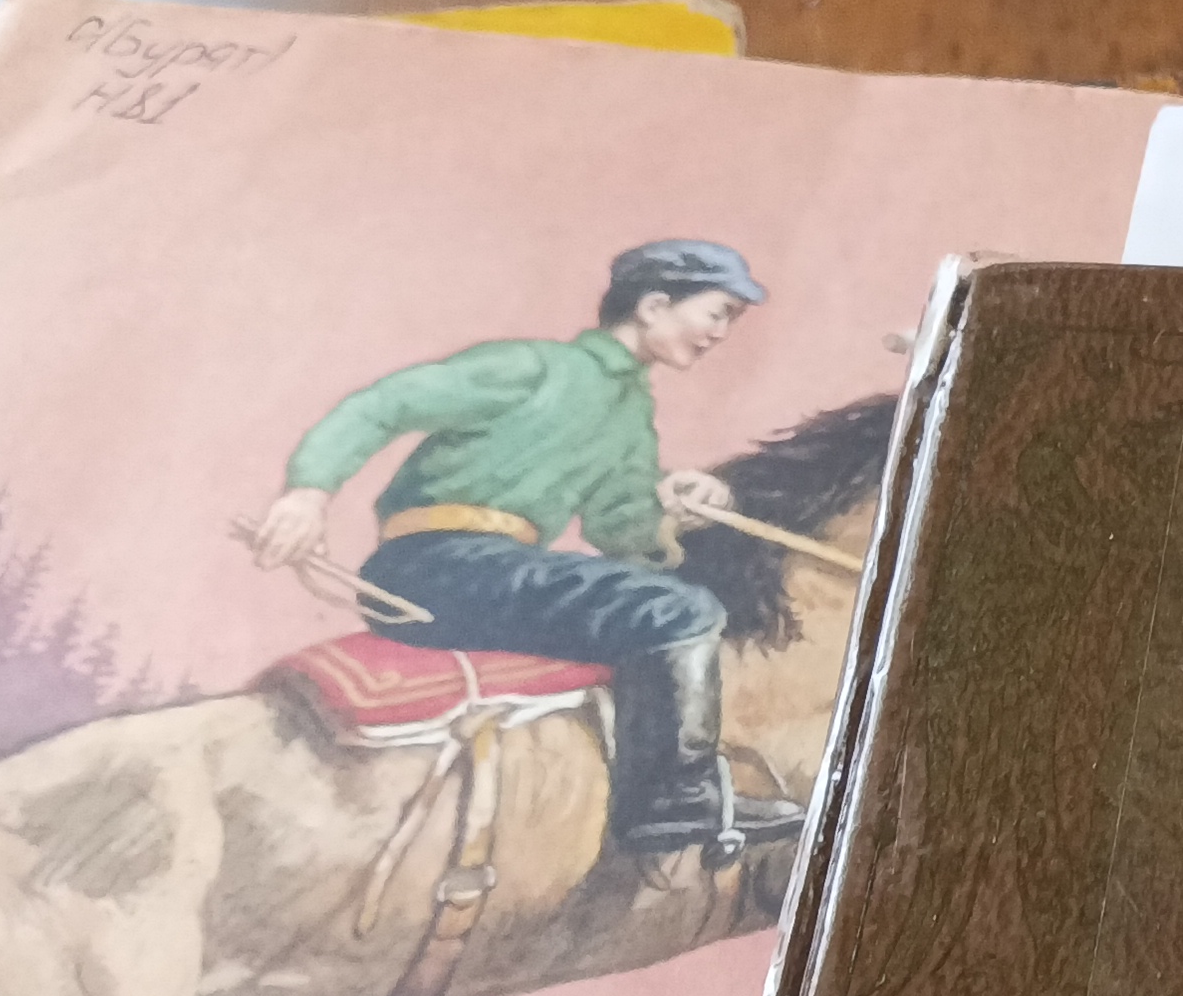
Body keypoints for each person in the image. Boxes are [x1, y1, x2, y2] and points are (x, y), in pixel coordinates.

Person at [249, 238, 806, 856]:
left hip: (494, 573)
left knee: (673, 602)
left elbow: (621, 531)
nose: (721, 333)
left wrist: (680, 506)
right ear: (653, 306)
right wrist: (307, 493)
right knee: (679, 610)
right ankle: (670, 800)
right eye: (719, 312)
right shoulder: (531, 366)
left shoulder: (630, 416)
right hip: (432, 567)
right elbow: (384, 404)